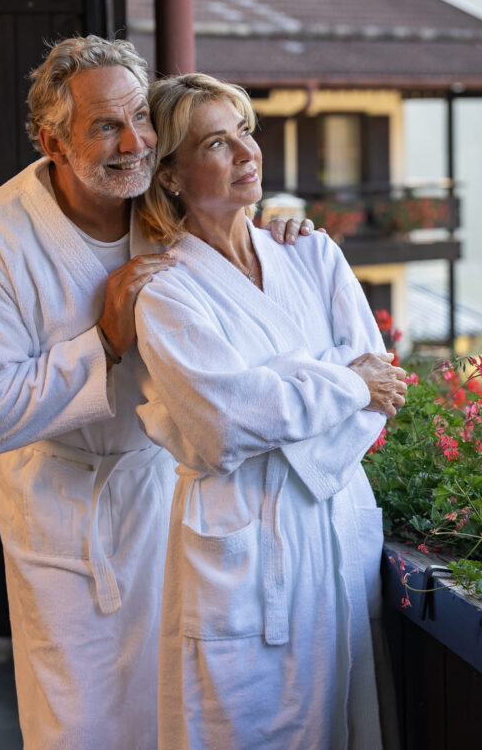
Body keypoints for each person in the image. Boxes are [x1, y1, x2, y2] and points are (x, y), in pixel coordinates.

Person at [0, 36, 316, 750]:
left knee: (180, 716)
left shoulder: (157, 198)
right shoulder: (0, 239)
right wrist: (103, 343)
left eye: (140, 117)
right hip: (64, 515)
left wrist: (279, 227)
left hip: (165, 498)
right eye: (105, 126)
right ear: (54, 140)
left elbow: (229, 213)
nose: (134, 142)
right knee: (79, 726)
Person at [133, 73, 407, 749]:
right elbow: (221, 422)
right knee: (239, 729)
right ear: (170, 175)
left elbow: (384, 392)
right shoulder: (166, 292)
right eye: (217, 143)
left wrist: (279, 399)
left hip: (331, 526)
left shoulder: (311, 253)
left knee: (347, 723)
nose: (246, 154)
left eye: (245, 133)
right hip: (241, 550)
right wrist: (340, 385)